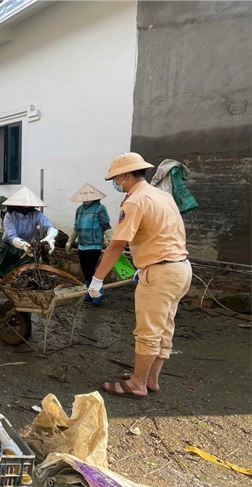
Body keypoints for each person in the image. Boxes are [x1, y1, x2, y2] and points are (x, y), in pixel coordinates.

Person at [88, 152, 191, 399]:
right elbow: (162, 234)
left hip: (160, 272)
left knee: (147, 332)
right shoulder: (162, 196)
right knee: (164, 328)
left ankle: (137, 384)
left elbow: (116, 245)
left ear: (125, 176)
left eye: (116, 179)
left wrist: (97, 279)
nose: (116, 184)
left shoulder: (135, 200)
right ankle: (150, 379)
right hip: (180, 269)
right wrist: (143, 267)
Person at [0, 186, 58, 323]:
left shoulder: (36, 214)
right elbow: (11, 236)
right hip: (8, 249)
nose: (27, 208)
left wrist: (49, 238)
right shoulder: (10, 216)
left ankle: (25, 315)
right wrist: (23, 245)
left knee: (26, 282)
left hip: (28, 252)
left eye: (29, 205)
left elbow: (50, 227)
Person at [65, 183, 112, 305]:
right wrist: (70, 241)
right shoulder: (79, 210)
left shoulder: (100, 209)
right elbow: (76, 227)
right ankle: (89, 292)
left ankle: (98, 293)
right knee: (85, 270)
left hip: (94, 244)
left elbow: (105, 225)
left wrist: (110, 240)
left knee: (92, 269)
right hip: (82, 244)